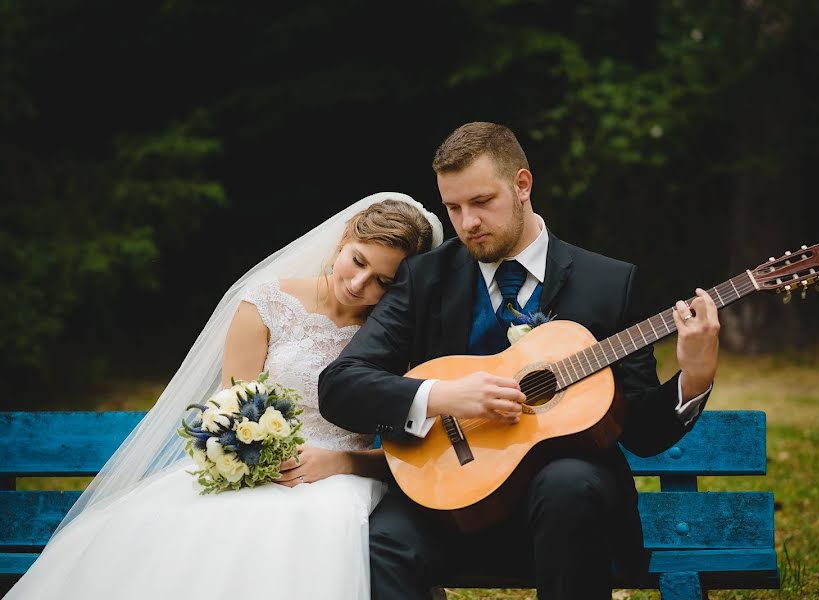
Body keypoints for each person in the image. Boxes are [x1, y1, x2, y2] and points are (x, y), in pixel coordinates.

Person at [318, 122, 721, 599]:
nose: (467, 222)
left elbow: (642, 432)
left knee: (569, 484)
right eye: (453, 207)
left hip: (567, 518)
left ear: (522, 185)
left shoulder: (607, 283)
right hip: (448, 505)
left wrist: (695, 376)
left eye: (481, 202)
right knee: (381, 543)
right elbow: (340, 385)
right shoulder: (425, 278)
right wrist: (447, 395)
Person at [4, 192, 444, 600]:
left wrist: (342, 462)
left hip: (339, 480)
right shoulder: (269, 303)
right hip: (252, 468)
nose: (359, 284)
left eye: (382, 282)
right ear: (345, 235)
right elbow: (228, 408)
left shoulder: (395, 338)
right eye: (358, 261)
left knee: (304, 536)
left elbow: (412, 447)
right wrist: (252, 455)